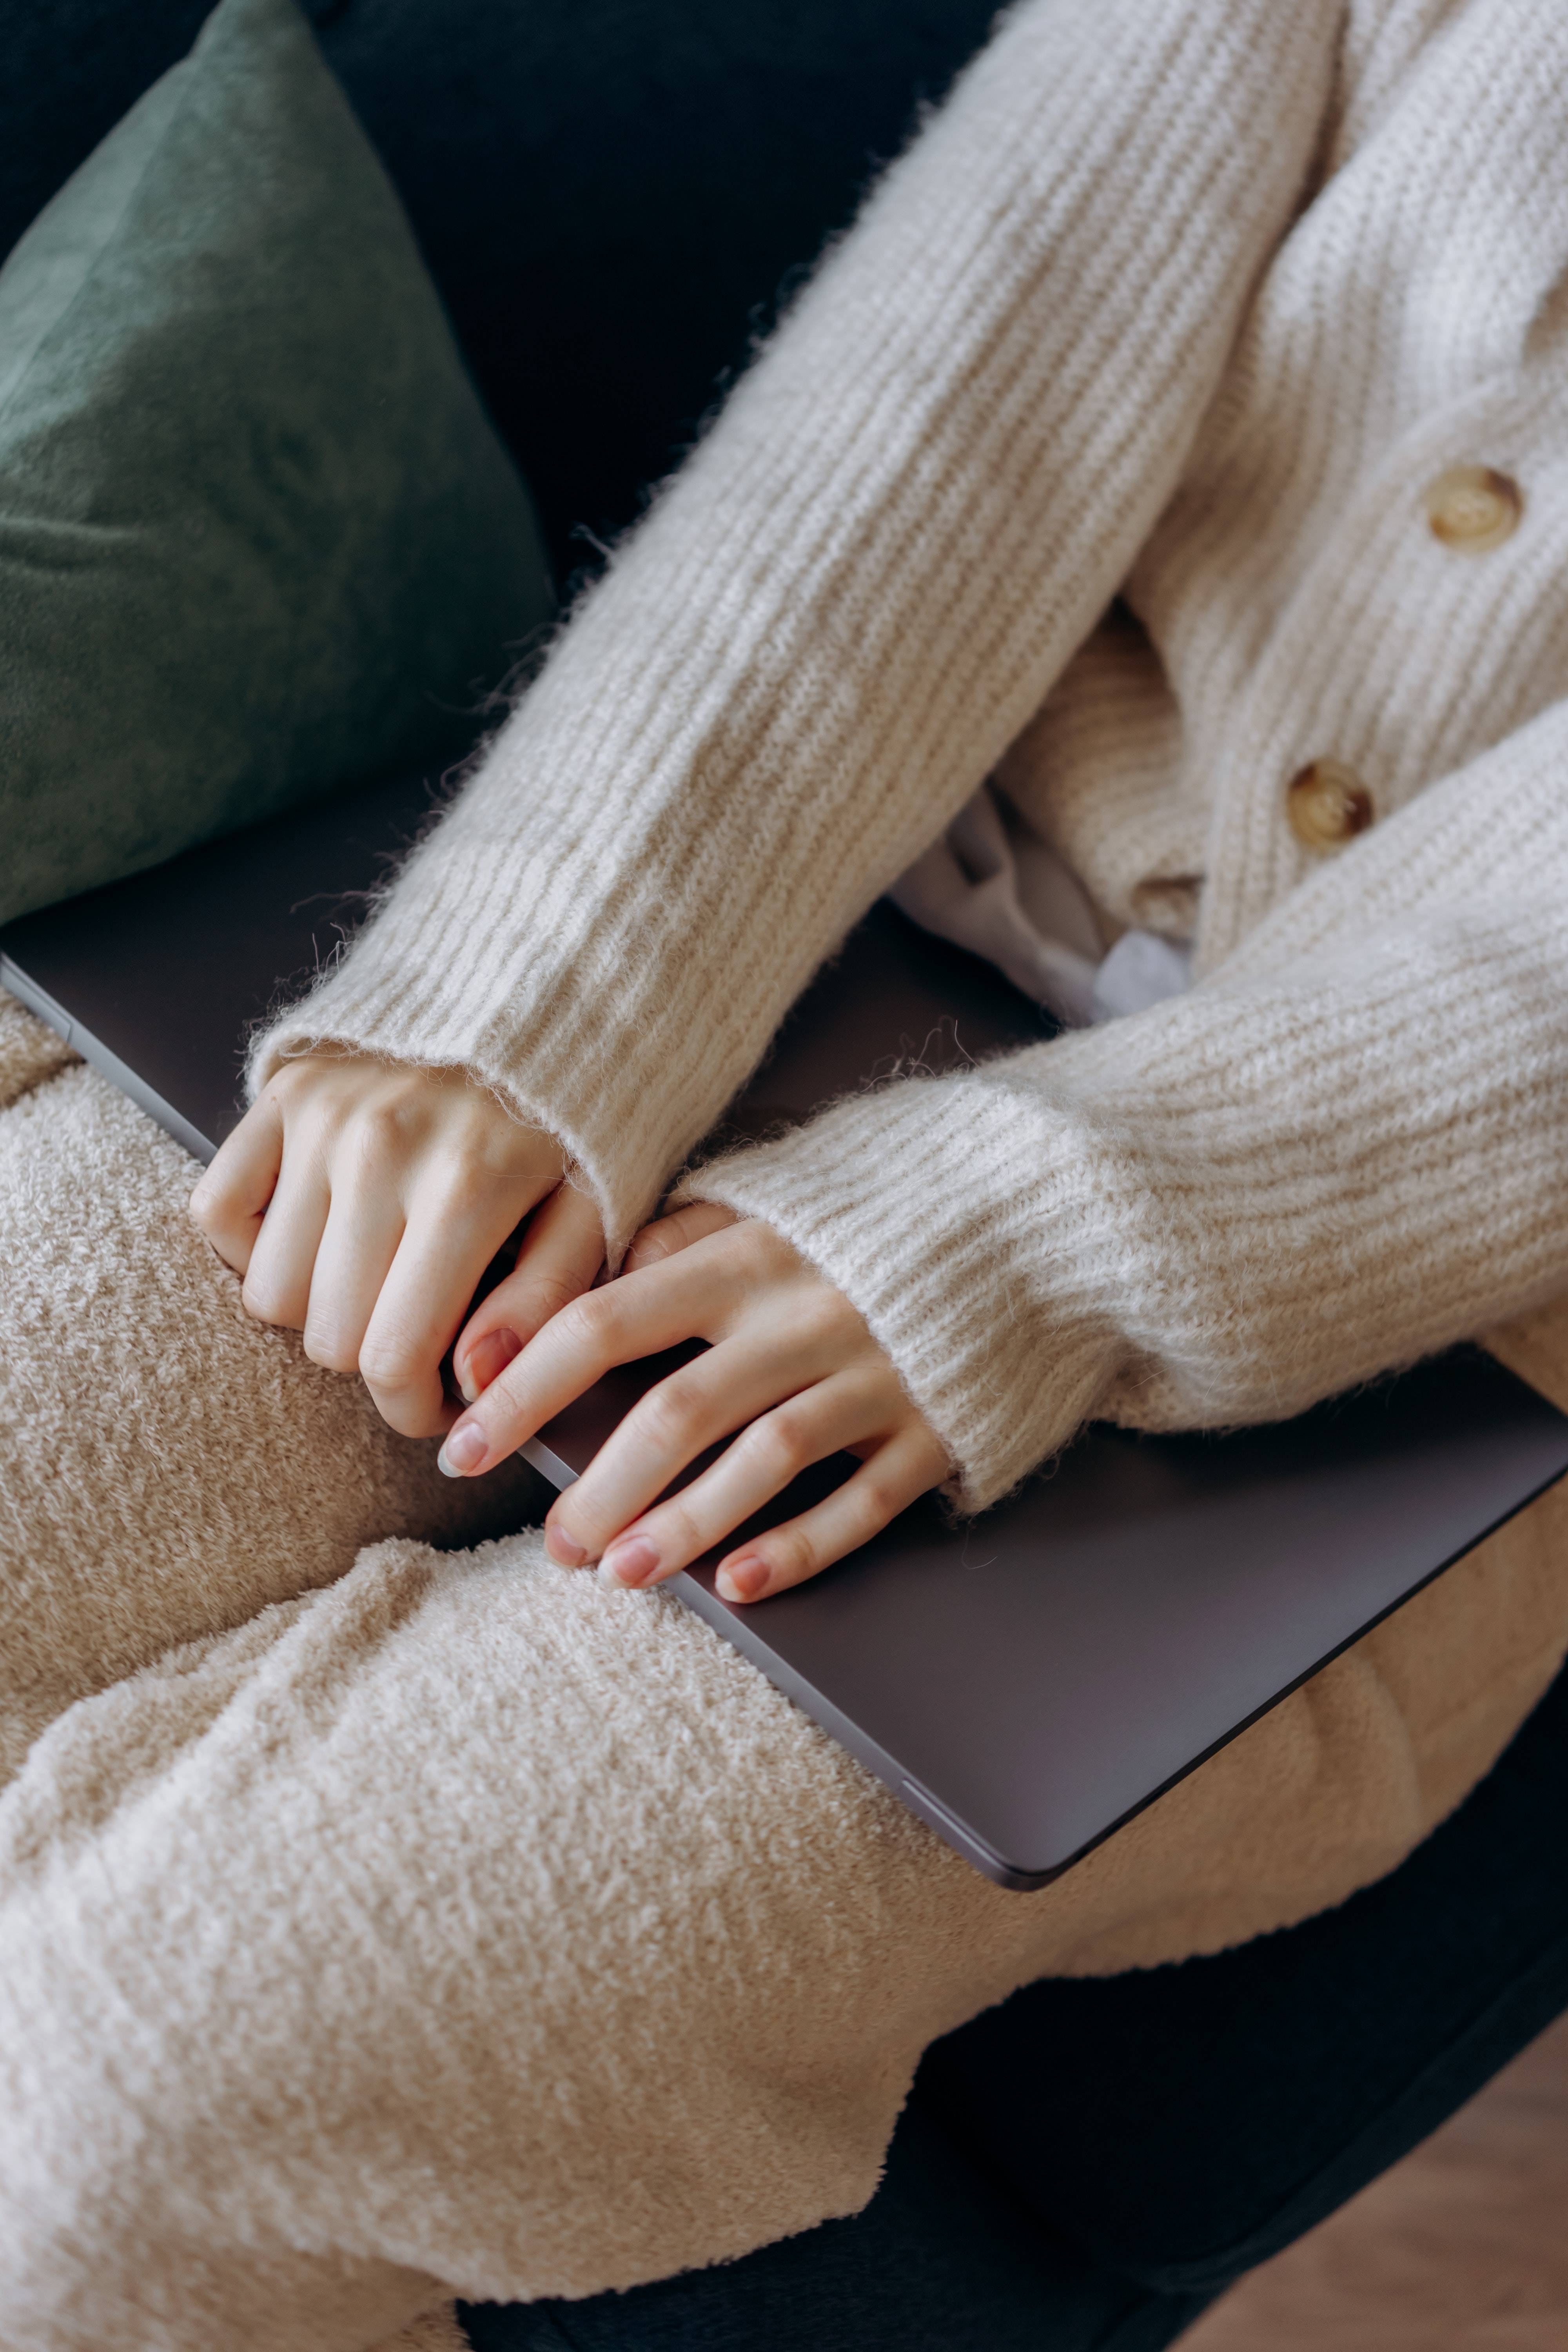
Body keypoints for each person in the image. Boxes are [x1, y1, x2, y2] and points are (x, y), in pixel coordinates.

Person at [4, 0, 1568, 2343]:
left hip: (1401, 1334)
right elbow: (968, 362)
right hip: (782, 898)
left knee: (151, 2073)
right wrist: (543, 984)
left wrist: (1036, 1237)